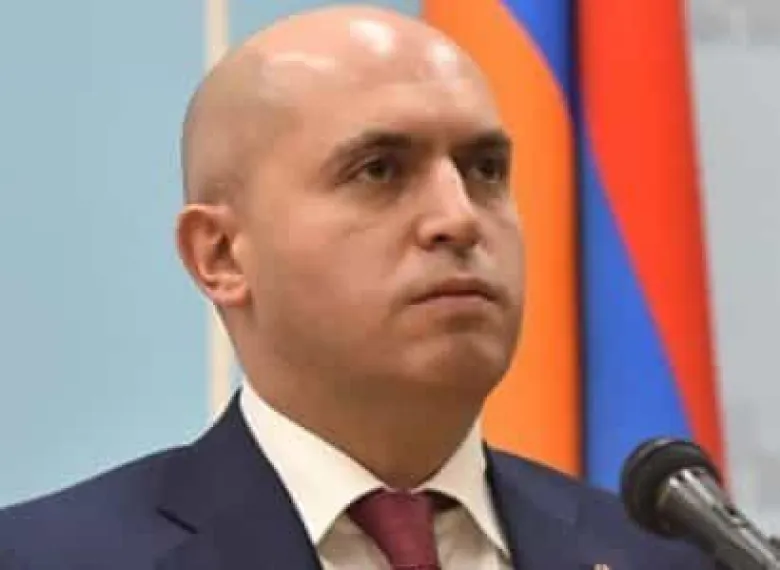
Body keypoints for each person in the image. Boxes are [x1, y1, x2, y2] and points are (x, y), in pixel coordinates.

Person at [0, 5, 717, 569]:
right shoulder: (47, 557)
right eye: (379, 170)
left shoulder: (668, 557)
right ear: (220, 254)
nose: (459, 218)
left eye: (485, 170)